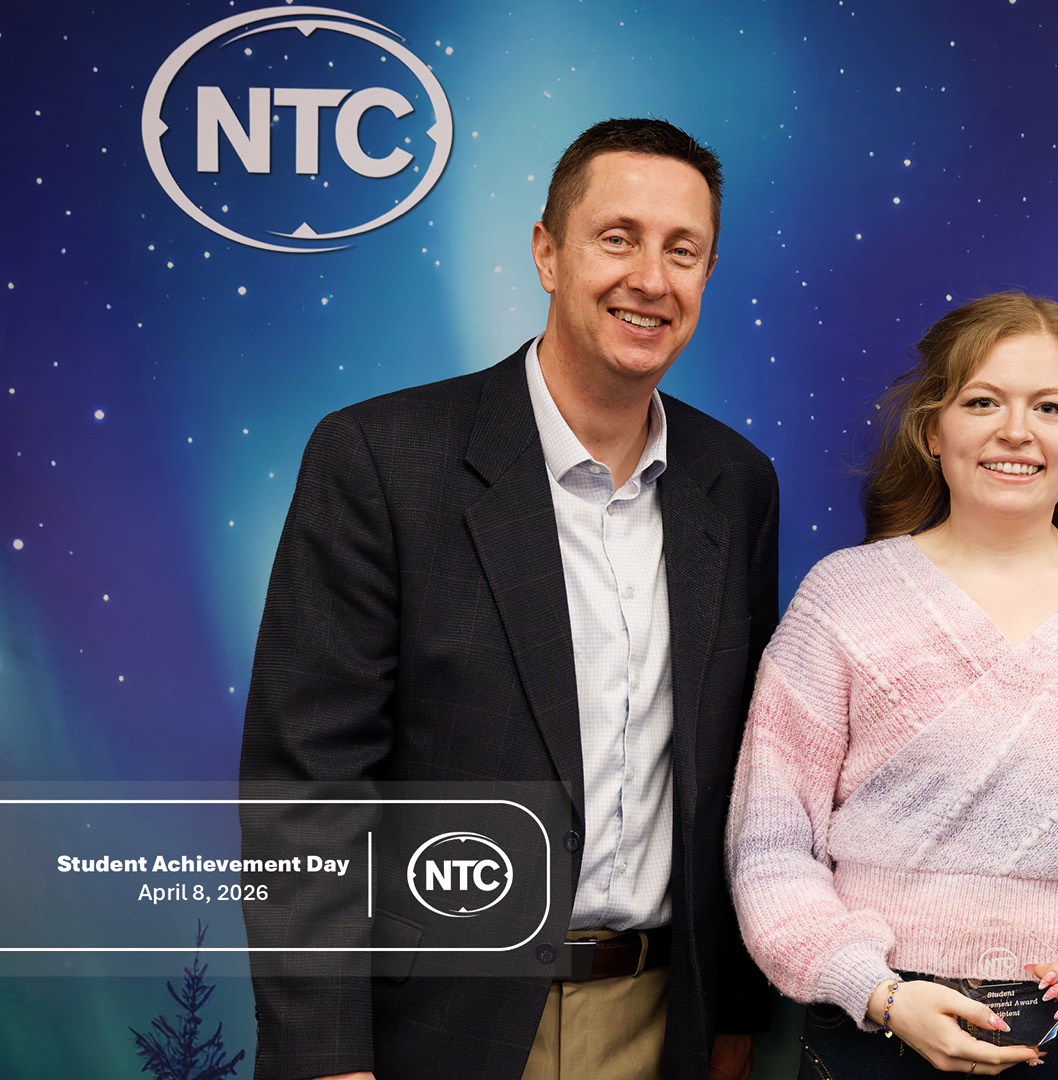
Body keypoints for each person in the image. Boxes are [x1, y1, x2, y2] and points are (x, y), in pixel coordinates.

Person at [240, 118, 776, 1080]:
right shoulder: (382, 459)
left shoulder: (735, 485)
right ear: (547, 253)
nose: (651, 278)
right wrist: (327, 1058)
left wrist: (732, 1021)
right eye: (618, 237)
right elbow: (306, 789)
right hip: (437, 1029)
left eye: (682, 250)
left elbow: (740, 776)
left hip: (663, 1023)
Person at [725, 292, 1058, 1078]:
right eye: (983, 402)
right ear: (933, 431)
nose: (1017, 431)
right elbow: (768, 841)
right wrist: (873, 990)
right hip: (877, 1029)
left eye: (1049, 406)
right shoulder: (843, 598)